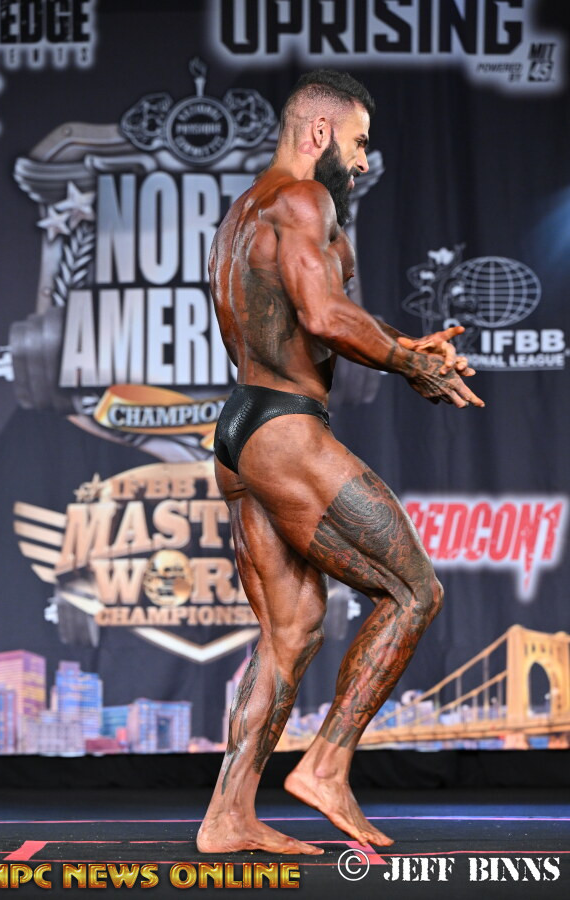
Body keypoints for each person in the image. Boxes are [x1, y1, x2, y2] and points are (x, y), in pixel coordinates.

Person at [197, 70, 484, 856]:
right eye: (357, 143)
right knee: (413, 590)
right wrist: (409, 361)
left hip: (239, 431)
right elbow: (322, 314)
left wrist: (400, 346)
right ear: (319, 132)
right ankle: (325, 766)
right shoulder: (303, 199)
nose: (361, 160)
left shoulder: (242, 215)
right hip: (286, 430)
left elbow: (313, 310)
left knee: (288, 634)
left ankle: (228, 815)